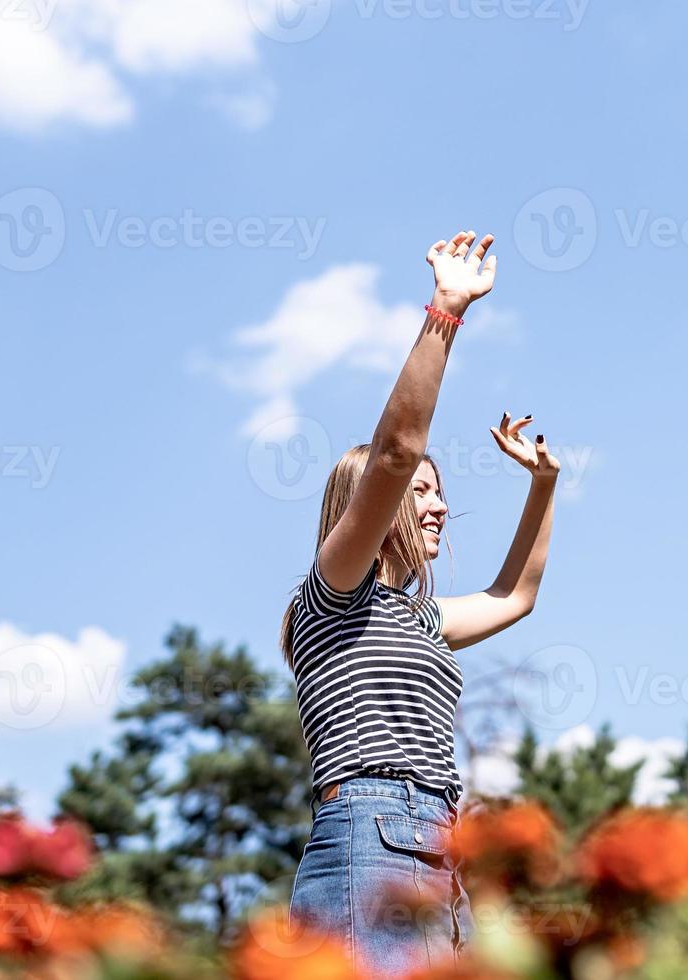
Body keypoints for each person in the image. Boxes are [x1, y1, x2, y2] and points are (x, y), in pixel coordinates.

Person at [281, 230, 559, 974]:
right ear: (374, 503)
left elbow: (516, 596)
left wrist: (543, 485)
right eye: (423, 494)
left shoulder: (424, 619)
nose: (438, 508)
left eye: (442, 495)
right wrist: (446, 312)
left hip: (438, 844)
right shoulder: (333, 591)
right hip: (369, 837)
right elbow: (398, 449)